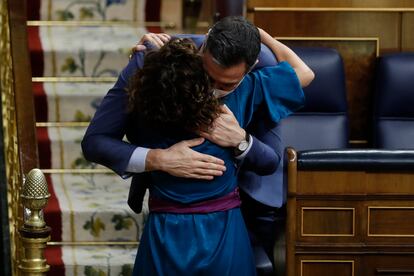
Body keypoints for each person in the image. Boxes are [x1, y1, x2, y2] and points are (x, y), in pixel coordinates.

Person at [82, 16, 313, 274]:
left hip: (226, 228)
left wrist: (260, 35)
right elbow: (94, 142)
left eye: (226, 85)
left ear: (250, 68)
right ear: (202, 49)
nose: (212, 90)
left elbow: (304, 73)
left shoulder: (252, 87)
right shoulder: (151, 64)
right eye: (208, 76)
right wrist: (158, 159)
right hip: (166, 227)